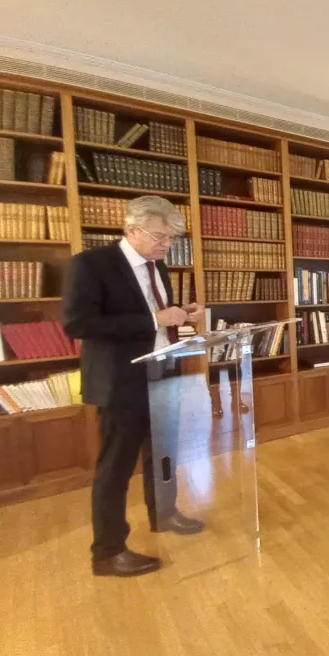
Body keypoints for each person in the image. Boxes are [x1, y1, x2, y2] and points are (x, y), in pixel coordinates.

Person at [62, 195, 204, 578]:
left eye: (171, 239)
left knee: (163, 454)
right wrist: (153, 317)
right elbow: (78, 324)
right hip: (120, 382)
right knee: (116, 467)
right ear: (131, 230)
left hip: (162, 371)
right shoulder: (91, 265)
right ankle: (107, 552)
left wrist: (182, 315)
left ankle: (164, 513)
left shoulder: (158, 266)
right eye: (160, 237)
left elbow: (157, 321)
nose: (166, 245)